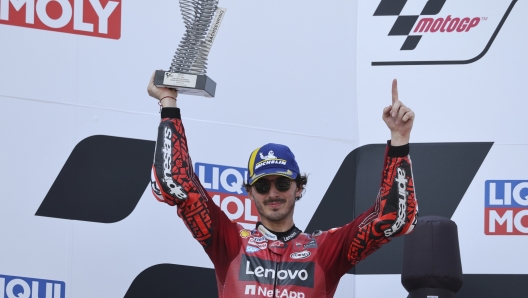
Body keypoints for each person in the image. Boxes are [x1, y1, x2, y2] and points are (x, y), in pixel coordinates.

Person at [148, 73, 418, 298]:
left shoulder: (325, 249)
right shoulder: (229, 242)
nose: (273, 193)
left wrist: (399, 138)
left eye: (282, 183)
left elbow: (393, 218)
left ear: (298, 188)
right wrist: (168, 102)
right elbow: (177, 182)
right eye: (263, 186)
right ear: (250, 192)